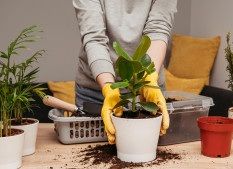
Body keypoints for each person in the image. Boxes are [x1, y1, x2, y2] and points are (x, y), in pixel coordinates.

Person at [72, 0, 177, 144]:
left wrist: (150, 76)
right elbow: (94, 38)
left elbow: (158, 29)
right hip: (95, 93)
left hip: (146, 93)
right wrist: (109, 87)